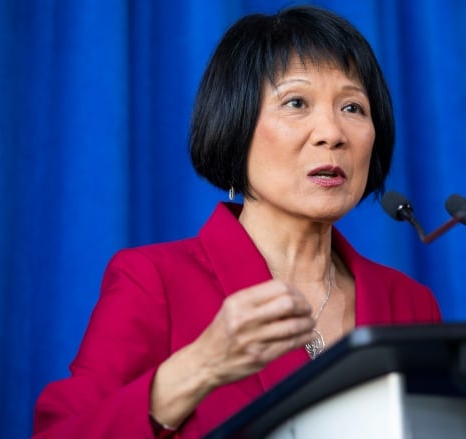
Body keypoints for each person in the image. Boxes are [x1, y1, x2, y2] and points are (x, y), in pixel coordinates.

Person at [32, 5, 441, 438]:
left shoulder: (410, 304)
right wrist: (200, 366)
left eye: (353, 107)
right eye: (297, 102)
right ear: (235, 125)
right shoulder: (153, 281)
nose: (333, 132)